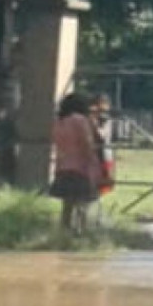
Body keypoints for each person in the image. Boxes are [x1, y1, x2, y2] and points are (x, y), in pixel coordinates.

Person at [49, 92, 102, 235]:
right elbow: (87, 144)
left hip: (63, 168)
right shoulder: (79, 120)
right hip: (80, 169)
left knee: (67, 207)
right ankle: (82, 235)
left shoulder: (58, 122)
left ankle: (63, 235)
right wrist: (94, 165)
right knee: (83, 205)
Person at [89, 94, 115, 198]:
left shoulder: (106, 120)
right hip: (92, 155)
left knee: (103, 183)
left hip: (103, 154)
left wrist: (94, 123)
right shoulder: (88, 118)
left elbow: (102, 136)